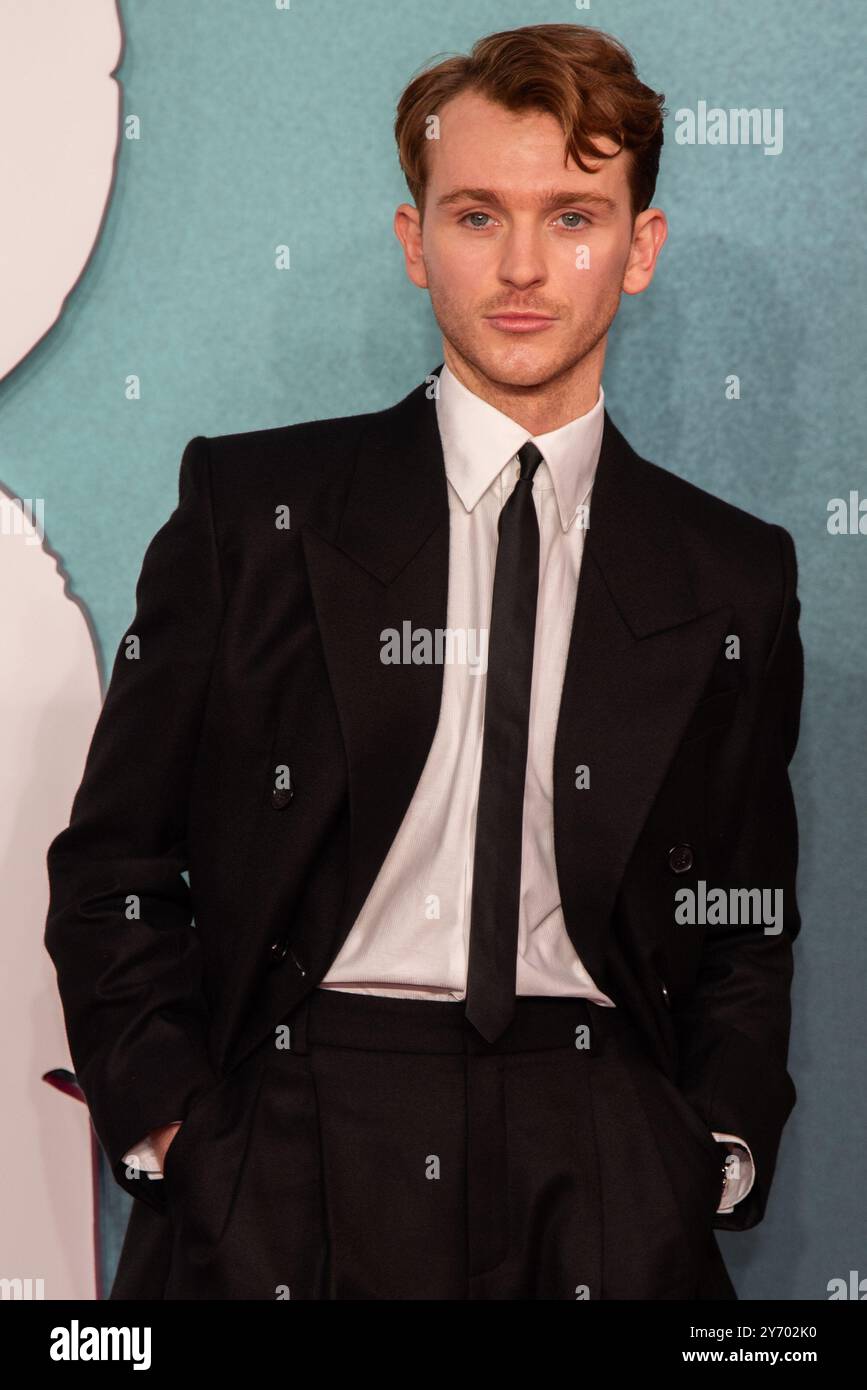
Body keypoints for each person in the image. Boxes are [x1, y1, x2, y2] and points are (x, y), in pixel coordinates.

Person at [45, 22, 803, 1300]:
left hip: (603, 1148)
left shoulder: (731, 572)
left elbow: (742, 915)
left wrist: (705, 1151)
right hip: (294, 1136)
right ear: (415, 243)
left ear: (640, 249)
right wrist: (181, 1129)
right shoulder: (253, 511)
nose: (521, 266)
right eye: (475, 215)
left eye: (573, 216)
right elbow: (115, 861)